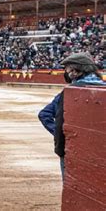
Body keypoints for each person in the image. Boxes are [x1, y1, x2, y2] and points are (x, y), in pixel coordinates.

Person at [38, 52, 106, 180]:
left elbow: (44, 114)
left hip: (74, 148)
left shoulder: (68, 93)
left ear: (76, 71)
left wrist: (64, 137)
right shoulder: (103, 89)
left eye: (67, 69)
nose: (66, 72)